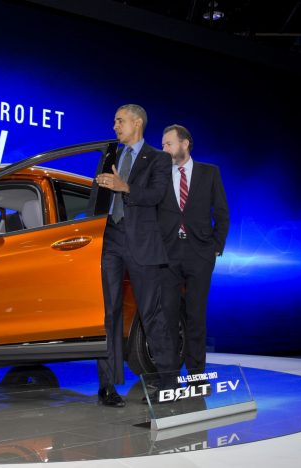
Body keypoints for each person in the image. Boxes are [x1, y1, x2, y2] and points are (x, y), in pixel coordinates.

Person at [94, 104, 173, 407]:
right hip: (111, 239)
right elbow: (99, 194)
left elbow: (156, 195)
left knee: (151, 313)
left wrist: (124, 186)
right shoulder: (110, 154)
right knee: (109, 314)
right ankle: (108, 386)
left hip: (142, 242)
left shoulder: (158, 158)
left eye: (120, 121)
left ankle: (167, 381)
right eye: (114, 121)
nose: (115, 126)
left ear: (137, 123)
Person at [159, 125, 229, 378]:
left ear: (185, 143)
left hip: (199, 253)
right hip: (167, 253)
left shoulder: (209, 173)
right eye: (163, 144)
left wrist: (215, 248)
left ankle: (197, 375)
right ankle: (167, 378)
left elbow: (222, 214)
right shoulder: (160, 173)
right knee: (167, 317)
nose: (164, 148)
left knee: (196, 316)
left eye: (168, 143)